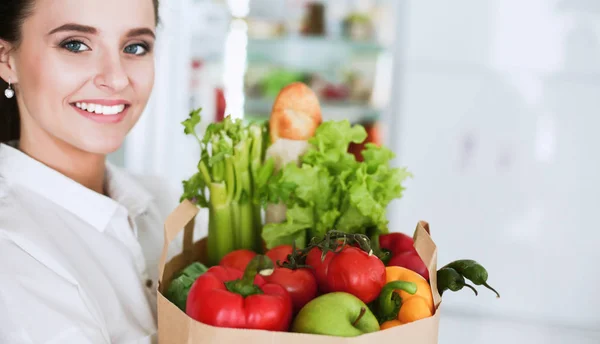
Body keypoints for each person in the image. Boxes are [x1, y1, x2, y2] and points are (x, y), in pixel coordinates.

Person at [0, 0, 191, 342]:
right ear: (6, 58)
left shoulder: (163, 202)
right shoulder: (11, 249)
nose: (117, 79)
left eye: (135, 47)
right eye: (75, 45)